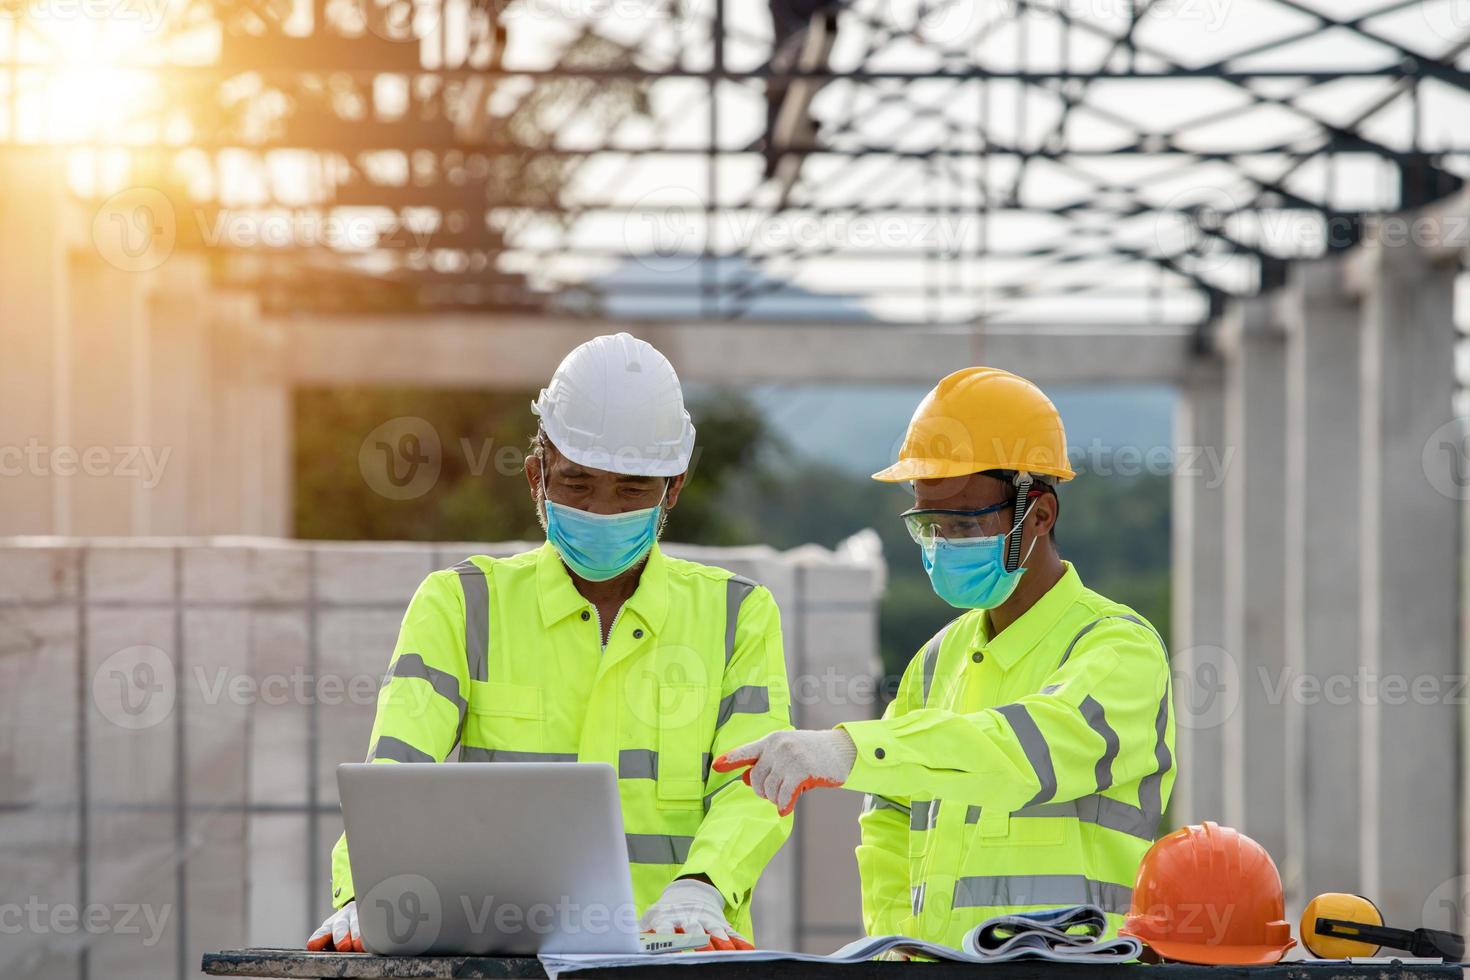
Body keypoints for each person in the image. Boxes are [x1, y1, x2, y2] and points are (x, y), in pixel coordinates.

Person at [309, 333, 793, 952]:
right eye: (578, 482)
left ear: (672, 489)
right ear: (536, 474)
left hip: (678, 956)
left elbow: (754, 785)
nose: (601, 508)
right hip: (508, 958)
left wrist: (703, 886)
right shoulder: (461, 605)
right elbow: (395, 778)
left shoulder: (738, 615)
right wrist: (364, 893)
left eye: (631, 489)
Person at [716, 366, 1174, 945]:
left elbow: (1017, 755)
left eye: (962, 521)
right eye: (928, 523)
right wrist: (894, 946)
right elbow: (888, 822)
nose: (944, 544)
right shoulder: (936, 659)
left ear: (1040, 514)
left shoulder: (1117, 647)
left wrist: (846, 747)